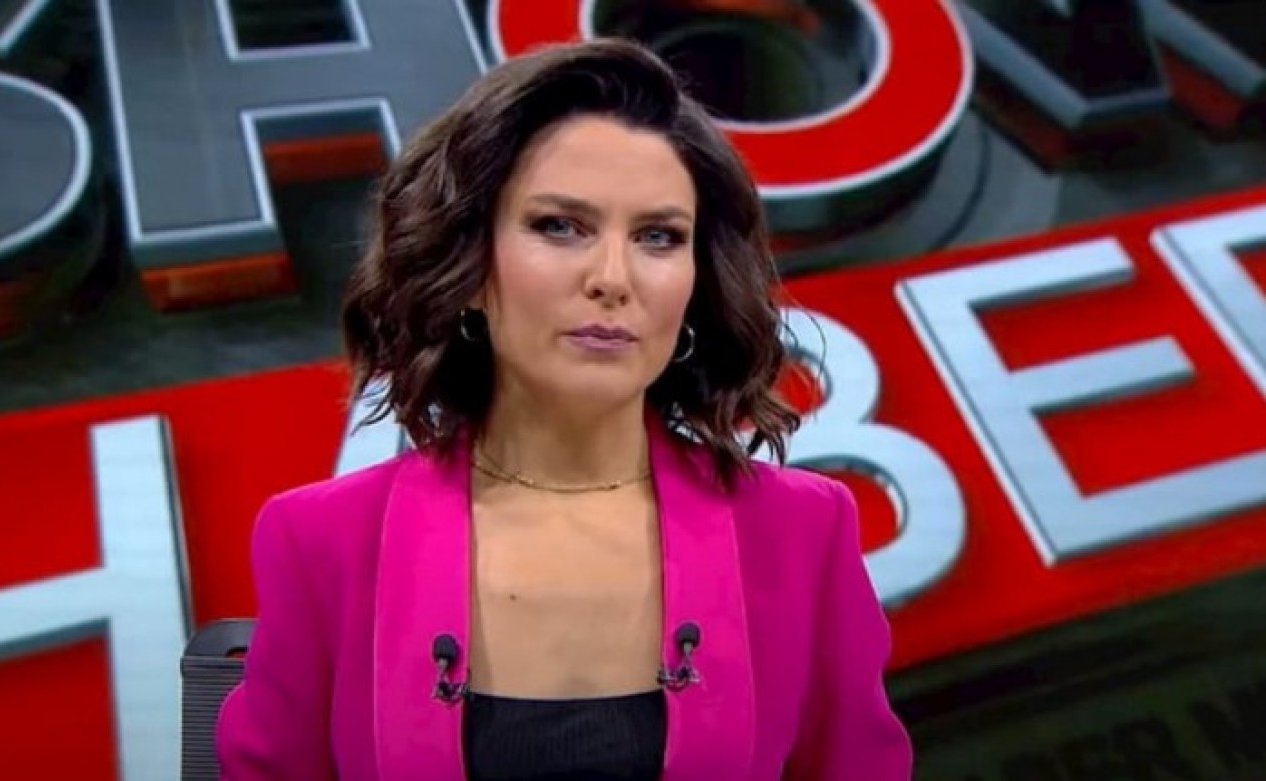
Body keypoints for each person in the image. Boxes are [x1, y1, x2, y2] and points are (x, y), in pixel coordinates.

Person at [215, 36, 912, 781]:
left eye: (658, 236)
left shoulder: (803, 532)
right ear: (469, 264)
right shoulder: (322, 543)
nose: (613, 277)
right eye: (559, 226)